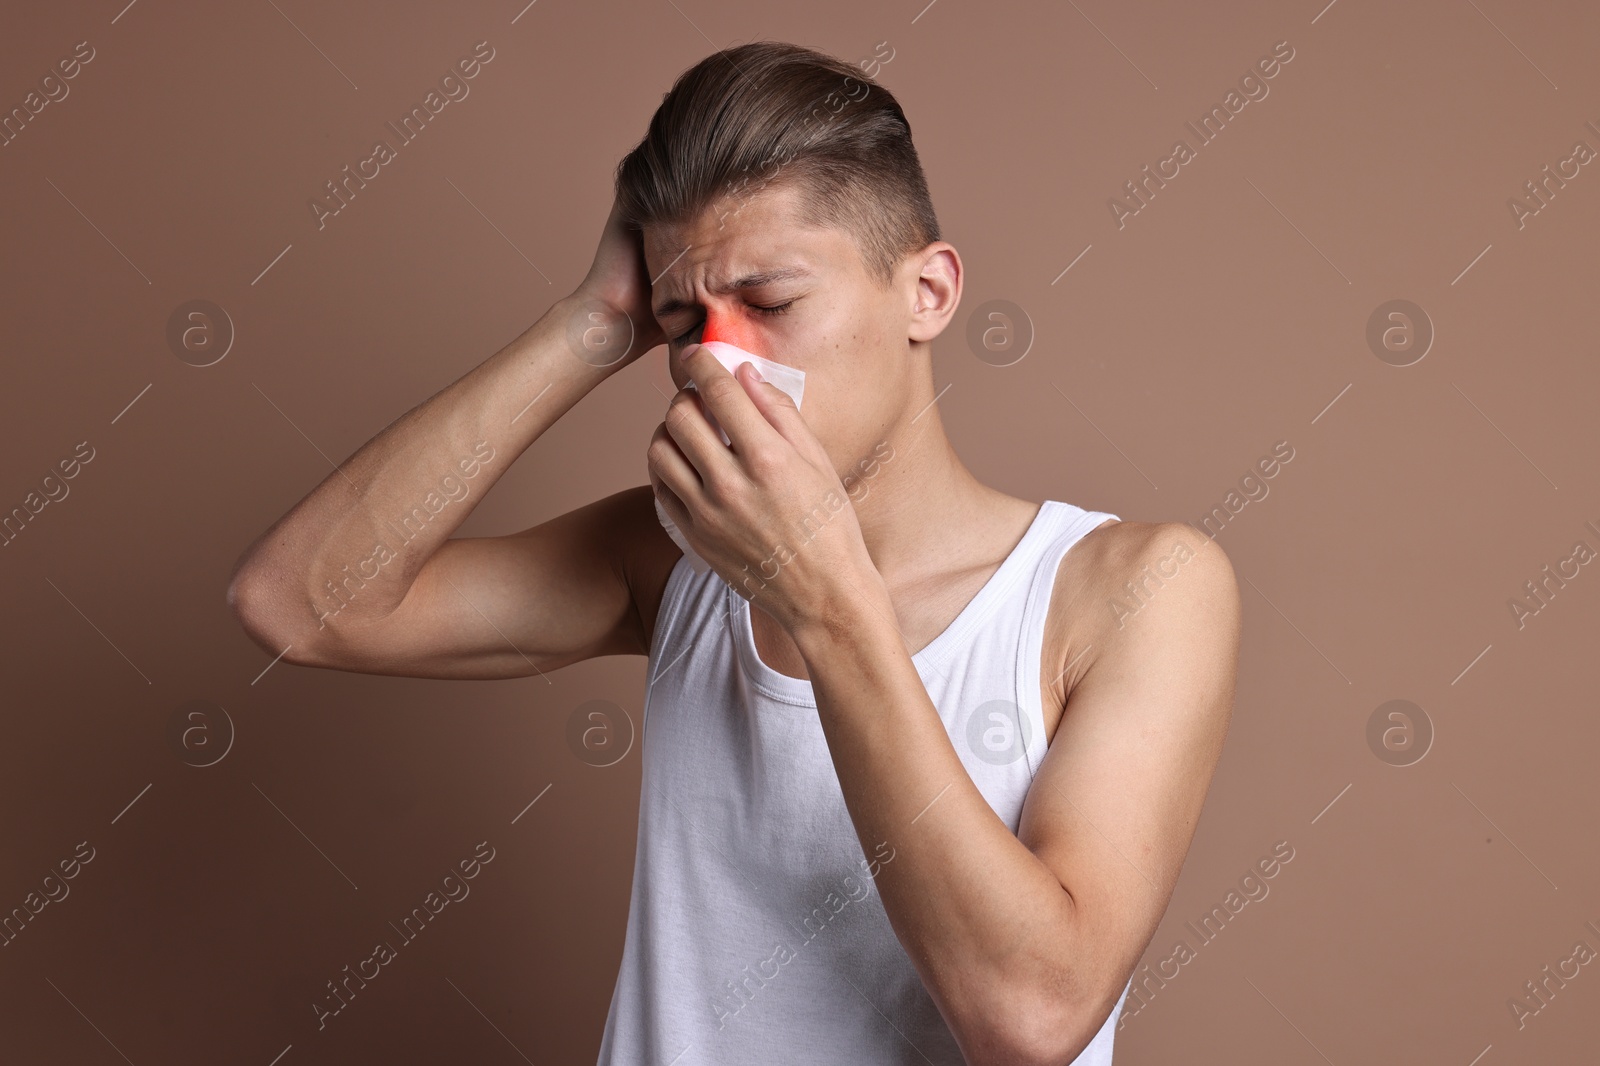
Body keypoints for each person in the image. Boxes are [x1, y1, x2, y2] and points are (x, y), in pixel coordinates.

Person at [228, 40, 1239, 1066]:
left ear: (926, 293)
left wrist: (824, 598)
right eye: (685, 322)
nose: (721, 359)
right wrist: (593, 322)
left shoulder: (1132, 588)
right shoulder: (673, 562)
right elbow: (299, 601)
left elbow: (1028, 1016)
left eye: (770, 301)